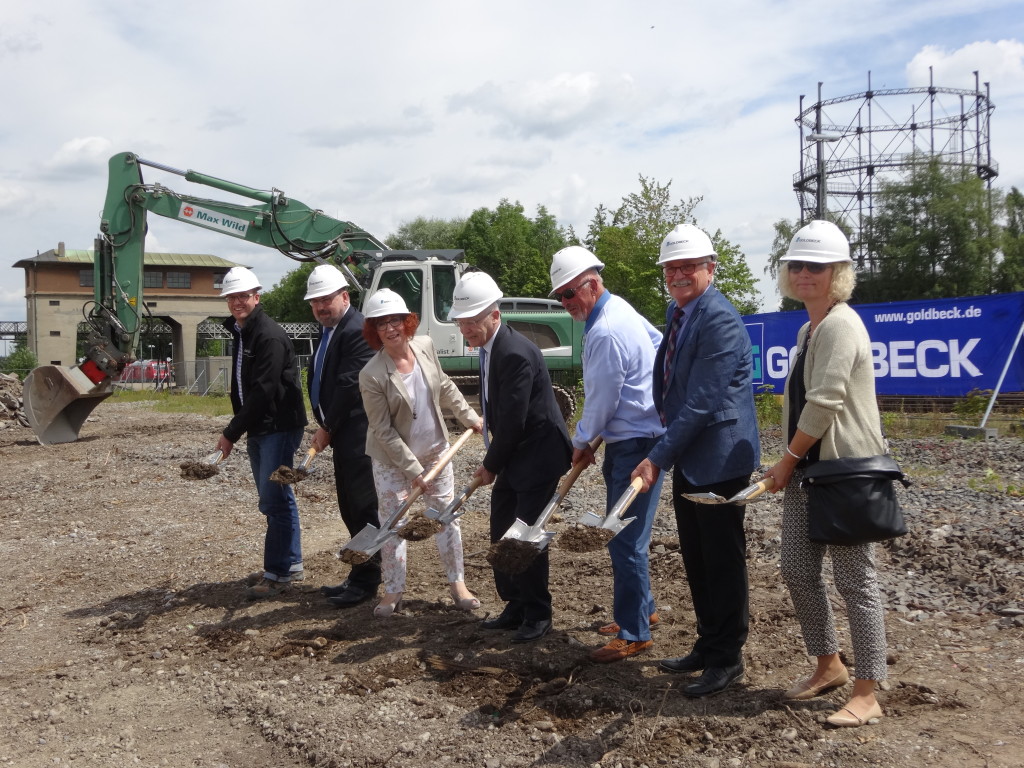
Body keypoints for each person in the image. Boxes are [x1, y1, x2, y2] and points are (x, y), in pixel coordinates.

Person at [762, 220, 888, 728]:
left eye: (816, 266)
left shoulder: (840, 326)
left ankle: (867, 691)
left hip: (846, 471)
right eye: (797, 265)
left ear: (838, 273)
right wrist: (792, 460)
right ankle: (829, 665)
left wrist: (786, 459)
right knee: (796, 567)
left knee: (857, 580)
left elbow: (826, 402)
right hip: (811, 470)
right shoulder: (806, 329)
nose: (804, 273)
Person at [631, 223, 760, 697]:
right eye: (671, 268)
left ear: (711, 268)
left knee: (723, 560)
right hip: (690, 452)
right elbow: (669, 377)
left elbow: (703, 400)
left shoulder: (719, 319)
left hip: (721, 458)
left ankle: (727, 658)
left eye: (688, 266)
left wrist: (657, 456)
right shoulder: (680, 310)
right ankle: (708, 644)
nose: (678, 275)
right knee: (697, 557)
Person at [547, 246, 666, 663]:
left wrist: (581, 441)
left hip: (635, 444)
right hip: (635, 435)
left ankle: (633, 633)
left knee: (623, 539)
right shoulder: (623, 311)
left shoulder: (606, 330)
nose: (566, 304)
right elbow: (660, 345)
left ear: (592, 284)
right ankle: (643, 612)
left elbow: (600, 400)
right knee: (629, 535)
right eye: (559, 297)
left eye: (570, 295)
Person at [451, 271, 572, 644]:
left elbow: (516, 421)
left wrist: (490, 465)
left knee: (523, 537)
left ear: (494, 313)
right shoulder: (491, 348)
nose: (467, 328)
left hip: (538, 453)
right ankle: (515, 603)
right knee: (501, 528)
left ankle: (538, 612)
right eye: (461, 322)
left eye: (473, 320)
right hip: (515, 453)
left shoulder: (515, 352)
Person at [358, 289, 483, 618]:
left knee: (446, 518)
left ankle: (458, 584)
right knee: (394, 524)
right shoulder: (372, 374)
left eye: (396, 319)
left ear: (407, 321)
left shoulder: (425, 346)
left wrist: (471, 418)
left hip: (436, 453)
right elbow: (383, 431)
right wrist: (414, 470)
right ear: (374, 330)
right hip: (393, 462)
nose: (391, 327)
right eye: (382, 323)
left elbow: (444, 386)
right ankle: (393, 590)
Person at [215, 267, 308, 600]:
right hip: (261, 426)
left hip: (278, 426)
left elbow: (263, 390)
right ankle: (289, 564)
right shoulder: (243, 332)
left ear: (257, 297)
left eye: (243, 296)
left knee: (274, 499)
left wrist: (230, 433)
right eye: (232, 297)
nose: (238, 302)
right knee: (278, 498)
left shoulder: (267, 335)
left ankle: (278, 573)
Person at [303, 264, 382, 608]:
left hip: (360, 435)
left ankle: (367, 580)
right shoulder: (332, 329)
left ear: (345, 296)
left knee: (363, 508)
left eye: (327, 300)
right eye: (315, 302)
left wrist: (326, 426)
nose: (321, 307)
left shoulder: (357, 330)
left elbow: (351, 384)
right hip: (343, 434)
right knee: (349, 507)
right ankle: (358, 572)